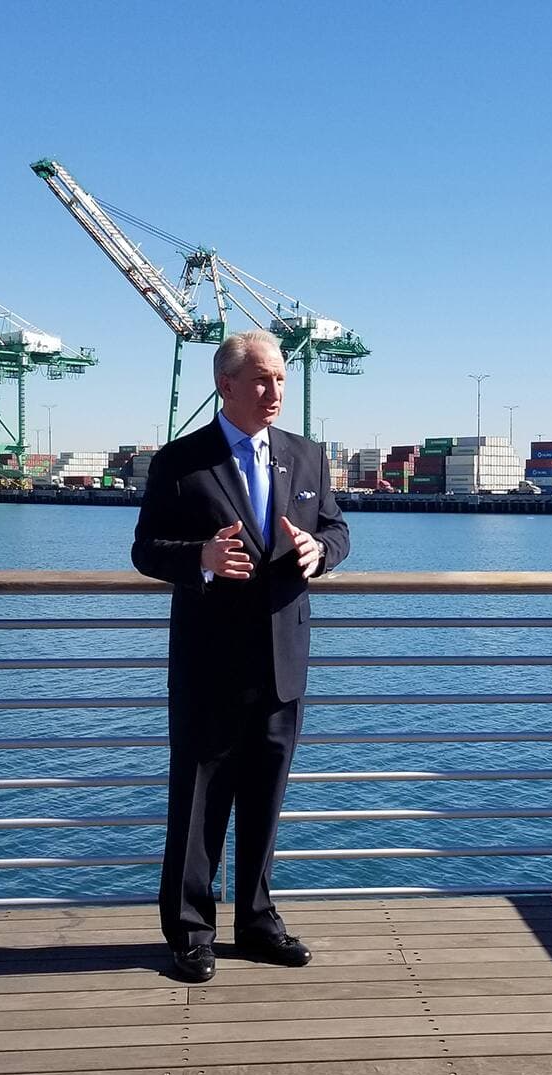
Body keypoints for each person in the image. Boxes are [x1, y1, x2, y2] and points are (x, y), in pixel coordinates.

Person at [132, 329, 350, 984]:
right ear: (225, 385)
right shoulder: (180, 461)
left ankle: (256, 919)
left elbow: (337, 529)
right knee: (198, 800)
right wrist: (197, 558)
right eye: (261, 379)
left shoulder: (307, 457)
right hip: (209, 661)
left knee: (265, 796)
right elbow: (145, 548)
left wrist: (320, 553)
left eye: (280, 379)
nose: (275, 391)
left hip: (284, 657)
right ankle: (190, 929)